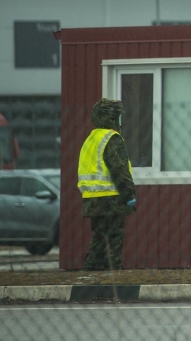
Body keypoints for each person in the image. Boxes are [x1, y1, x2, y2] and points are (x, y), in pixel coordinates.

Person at [77, 98, 136, 270]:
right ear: (111, 119)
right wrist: (129, 194)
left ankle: (90, 271)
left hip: (92, 198)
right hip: (112, 198)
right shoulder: (112, 139)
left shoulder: (91, 139)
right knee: (114, 238)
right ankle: (113, 275)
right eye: (117, 117)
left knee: (100, 237)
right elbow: (119, 169)